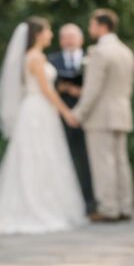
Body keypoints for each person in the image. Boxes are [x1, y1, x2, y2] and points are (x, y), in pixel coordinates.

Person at [0, 17, 86, 235]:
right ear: (37, 34)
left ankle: (50, 203)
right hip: (36, 110)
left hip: (41, 111)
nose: (51, 35)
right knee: (35, 156)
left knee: (46, 156)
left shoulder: (38, 56)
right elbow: (47, 90)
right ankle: (35, 205)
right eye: (48, 31)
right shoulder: (34, 57)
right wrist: (66, 112)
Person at [67, 9, 134, 222]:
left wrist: (77, 113)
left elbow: (92, 89)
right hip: (122, 113)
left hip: (101, 116)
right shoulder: (126, 52)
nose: (90, 28)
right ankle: (125, 206)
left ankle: (108, 209)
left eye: (92, 24)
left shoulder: (99, 52)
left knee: (104, 163)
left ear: (102, 26)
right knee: (121, 162)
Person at [47, 24, 96, 215]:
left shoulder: (91, 59)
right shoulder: (52, 60)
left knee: (87, 159)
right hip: (60, 116)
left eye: (72, 37)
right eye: (65, 37)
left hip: (87, 117)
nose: (69, 40)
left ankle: (89, 201)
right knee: (63, 158)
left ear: (81, 39)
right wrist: (65, 89)